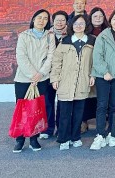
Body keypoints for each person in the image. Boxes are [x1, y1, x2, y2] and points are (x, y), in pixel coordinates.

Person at [12, 9, 56, 153]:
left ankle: (33, 139)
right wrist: (33, 74)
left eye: (45, 18)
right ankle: (20, 139)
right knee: (22, 109)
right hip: (23, 79)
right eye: (39, 18)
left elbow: (51, 56)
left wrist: (41, 73)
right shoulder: (24, 35)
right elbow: (21, 56)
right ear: (33, 19)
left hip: (42, 79)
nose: (42, 21)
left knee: (37, 109)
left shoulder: (50, 36)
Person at [50, 14, 96, 150]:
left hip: (82, 81)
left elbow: (95, 61)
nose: (78, 26)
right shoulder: (65, 41)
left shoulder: (92, 41)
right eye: (76, 24)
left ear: (86, 25)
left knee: (78, 114)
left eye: (81, 23)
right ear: (71, 26)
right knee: (64, 113)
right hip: (66, 81)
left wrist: (93, 75)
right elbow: (57, 61)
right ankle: (63, 138)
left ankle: (76, 137)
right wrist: (55, 78)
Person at [90, 10, 115, 150]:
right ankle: (100, 134)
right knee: (102, 105)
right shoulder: (103, 36)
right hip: (103, 76)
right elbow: (97, 57)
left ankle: (112, 134)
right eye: (114, 19)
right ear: (110, 21)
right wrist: (105, 72)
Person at [40, 10, 68, 140]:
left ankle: (61, 128)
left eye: (62, 20)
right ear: (53, 21)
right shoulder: (46, 34)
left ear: (66, 22)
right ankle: (48, 128)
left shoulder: (70, 35)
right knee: (48, 102)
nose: (59, 22)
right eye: (57, 20)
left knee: (62, 103)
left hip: (64, 74)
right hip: (48, 73)